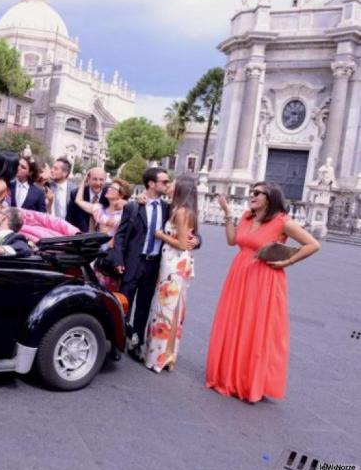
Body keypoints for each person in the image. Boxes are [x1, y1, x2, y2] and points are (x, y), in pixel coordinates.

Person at [206, 182, 320, 403]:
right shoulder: (247, 216)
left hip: (264, 278)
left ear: (270, 198)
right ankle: (228, 373)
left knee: (254, 327)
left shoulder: (282, 221)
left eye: (257, 193)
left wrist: (288, 261)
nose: (252, 195)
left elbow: (312, 244)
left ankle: (248, 379)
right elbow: (232, 241)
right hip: (239, 274)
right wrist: (228, 212)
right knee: (236, 322)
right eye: (252, 192)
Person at [112, 167, 198, 362]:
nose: (167, 185)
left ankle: (136, 342)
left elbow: (188, 229)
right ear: (151, 184)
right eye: (164, 182)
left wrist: (197, 240)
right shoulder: (134, 207)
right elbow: (120, 236)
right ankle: (117, 341)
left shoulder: (168, 208)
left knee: (144, 307)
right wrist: (118, 259)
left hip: (155, 266)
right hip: (132, 263)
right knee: (123, 304)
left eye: (169, 182)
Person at [142, 175, 198, 373]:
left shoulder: (182, 212)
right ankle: (164, 353)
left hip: (175, 263)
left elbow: (183, 244)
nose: (169, 185)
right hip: (170, 262)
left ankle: (163, 355)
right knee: (168, 308)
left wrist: (161, 235)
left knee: (167, 308)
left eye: (172, 183)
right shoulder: (176, 209)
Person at [67, 167, 107, 232]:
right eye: (94, 179)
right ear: (88, 179)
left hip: (102, 239)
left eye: (101, 180)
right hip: (80, 238)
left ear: (105, 180)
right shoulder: (76, 194)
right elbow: (69, 221)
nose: (98, 183)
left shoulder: (109, 195)